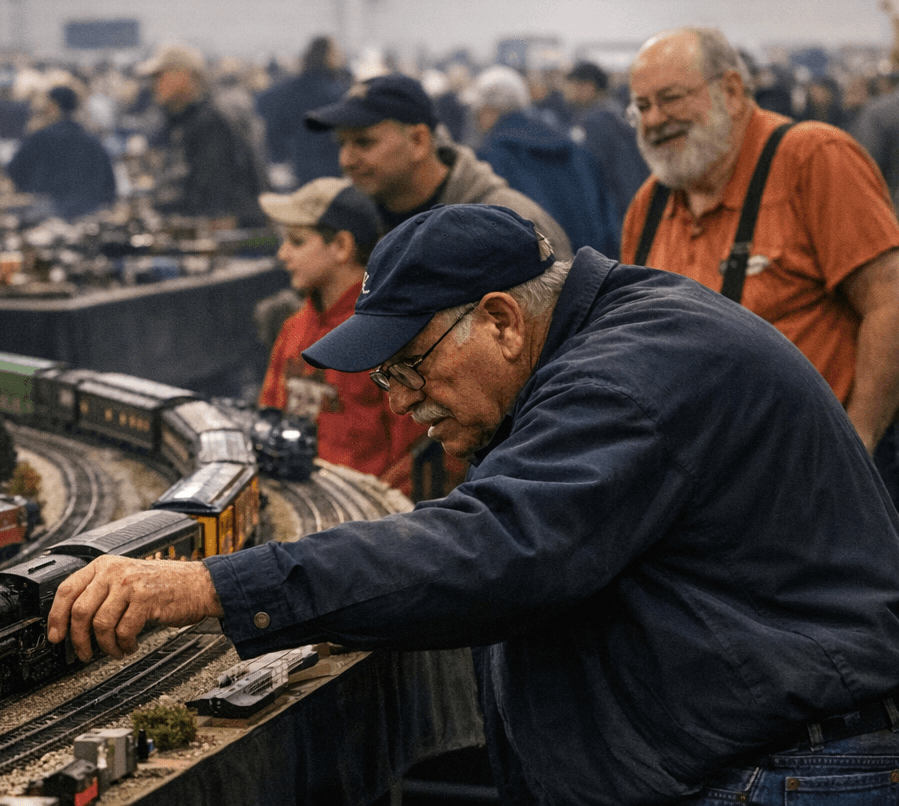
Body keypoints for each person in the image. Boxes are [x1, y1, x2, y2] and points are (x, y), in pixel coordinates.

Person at [48, 203, 899, 805]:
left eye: (410, 364)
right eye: (383, 377)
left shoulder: (628, 377)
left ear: (499, 319)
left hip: (782, 774)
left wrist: (213, 587)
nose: (398, 399)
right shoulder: (613, 343)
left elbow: (499, 548)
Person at [619, 26, 899, 500]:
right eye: (642, 107)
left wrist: (859, 440)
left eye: (670, 99)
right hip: (712, 489)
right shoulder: (647, 209)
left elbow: (889, 302)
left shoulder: (812, 158)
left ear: (730, 91)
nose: (655, 120)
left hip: (827, 476)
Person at [256, 177, 431, 489]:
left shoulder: (390, 337)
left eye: (296, 241)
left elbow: (416, 457)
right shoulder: (293, 328)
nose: (283, 254)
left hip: (365, 515)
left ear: (341, 246)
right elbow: (269, 415)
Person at [304, 73, 572, 257]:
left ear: (418, 141)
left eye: (364, 143)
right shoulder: (359, 227)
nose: (346, 160)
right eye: (342, 144)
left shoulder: (512, 225)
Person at [466, 65, 619, 257]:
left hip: (539, 273)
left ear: (487, 110)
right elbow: (605, 214)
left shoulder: (491, 156)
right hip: (592, 266)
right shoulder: (571, 144)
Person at [136, 42, 266, 222]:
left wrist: (157, 207)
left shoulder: (210, 122)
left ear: (183, 76)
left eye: (159, 76)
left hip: (233, 235)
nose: (153, 85)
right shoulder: (194, 118)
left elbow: (210, 194)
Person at [5, 85, 118, 219]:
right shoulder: (93, 142)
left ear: (53, 106)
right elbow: (109, 187)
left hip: (46, 215)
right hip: (90, 214)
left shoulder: (39, 139)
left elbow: (14, 173)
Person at [254, 36, 350, 188]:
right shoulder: (337, 94)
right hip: (330, 170)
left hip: (295, 170)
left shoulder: (286, 90)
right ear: (328, 56)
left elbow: (268, 117)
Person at [563, 60, 651, 216]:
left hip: (611, 211)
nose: (565, 91)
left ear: (588, 87)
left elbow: (588, 174)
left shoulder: (595, 124)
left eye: (570, 85)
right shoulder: (616, 115)